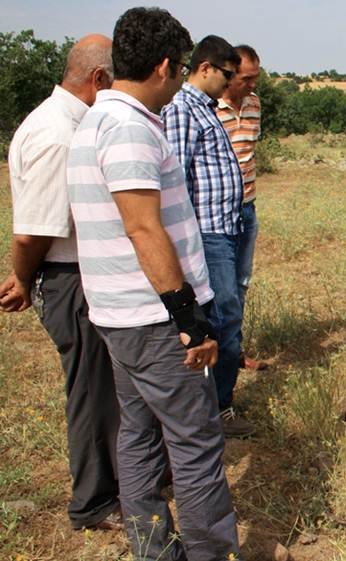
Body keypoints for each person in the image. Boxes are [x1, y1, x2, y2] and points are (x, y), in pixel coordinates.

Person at [67, 8, 241, 559]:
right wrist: (188, 320)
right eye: (182, 66)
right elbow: (144, 226)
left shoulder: (95, 119)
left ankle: (154, 550)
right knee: (195, 445)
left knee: (139, 436)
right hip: (154, 319)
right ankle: (211, 552)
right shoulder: (127, 127)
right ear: (165, 65)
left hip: (121, 317)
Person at [0, 34, 121, 532]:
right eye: (115, 83)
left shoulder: (70, 124)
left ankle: (115, 482)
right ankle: (93, 503)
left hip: (80, 275)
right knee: (91, 392)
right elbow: (34, 231)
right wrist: (22, 279)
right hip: (70, 279)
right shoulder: (57, 135)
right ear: (98, 80)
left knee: (105, 388)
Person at [162, 35, 254, 438]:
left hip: (226, 227)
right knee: (220, 317)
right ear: (206, 68)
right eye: (228, 74)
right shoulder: (183, 109)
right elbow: (176, 179)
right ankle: (212, 410)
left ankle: (218, 405)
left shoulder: (204, 108)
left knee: (228, 314)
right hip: (209, 232)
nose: (232, 82)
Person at [216, 44, 268, 371]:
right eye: (246, 79)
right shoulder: (208, 107)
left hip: (247, 209)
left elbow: (249, 153)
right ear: (230, 73)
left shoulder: (254, 104)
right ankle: (218, 356)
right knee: (220, 291)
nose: (252, 85)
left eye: (255, 79)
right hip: (216, 213)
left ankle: (233, 354)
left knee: (240, 283)